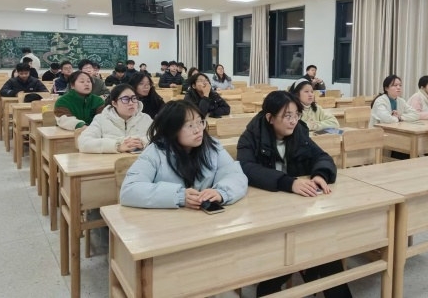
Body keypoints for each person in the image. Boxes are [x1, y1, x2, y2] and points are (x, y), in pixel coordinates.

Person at [236, 91, 352, 298]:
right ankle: (288, 274)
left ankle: (307, 266)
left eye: (296, 115)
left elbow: (322, 157)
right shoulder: (251, 136)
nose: (293, 121)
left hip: (297, 211)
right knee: (299, 257)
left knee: (326, 253)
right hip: (265, 216)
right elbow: (248, 169)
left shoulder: (299, 132)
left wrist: (320, 174)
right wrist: (289, 183)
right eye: (287, 116)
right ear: (270, 117)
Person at [120, 100, 248, 209]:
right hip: (167, 221)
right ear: (171, 129)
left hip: (203, 220)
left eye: (200, 122)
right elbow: (129, 191)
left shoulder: (212, 146)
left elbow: (235, 175)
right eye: (189, 125)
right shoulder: (154, 152)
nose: (198, 130)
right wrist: (179, 196)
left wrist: (221, 192)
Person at [78, 84, 152, 153]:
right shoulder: (101, 119)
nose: (131, 103)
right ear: (114, 103)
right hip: (109, 162)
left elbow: (158, 138)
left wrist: (143, 143)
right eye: (125, 99)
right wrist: (117, 146)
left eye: (134, 98)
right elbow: (83, 142)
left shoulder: (145, 119)